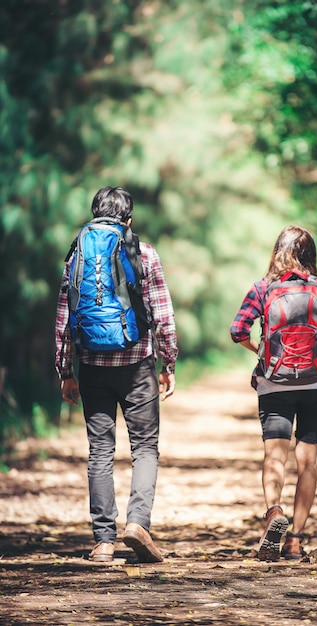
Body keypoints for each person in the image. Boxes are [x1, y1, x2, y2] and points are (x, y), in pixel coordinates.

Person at [55, 186, 178, 563]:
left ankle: (104, 541)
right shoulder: (142, 252)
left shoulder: (76, 253)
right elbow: (162, 312)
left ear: (95, 213)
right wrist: (168, 361)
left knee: (99, 452)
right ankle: (138, 523)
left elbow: (64, 316)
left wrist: (65, 370)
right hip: (137, 362)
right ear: (128, 218)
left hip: (91, 366)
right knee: (144, 447)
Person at [230, 225, 317, 561]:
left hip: (275, 383)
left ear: (278, 252)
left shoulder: (263, 288)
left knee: (275, 456)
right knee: (308, 462)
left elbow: (237, 331)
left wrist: (260, 352)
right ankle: (296, 540)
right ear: (310, 256)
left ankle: (274, 512)